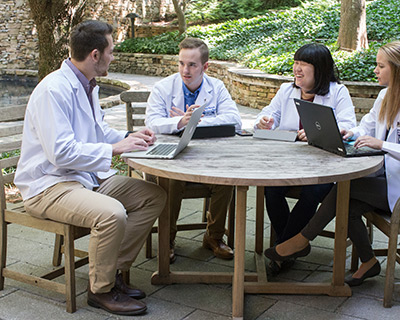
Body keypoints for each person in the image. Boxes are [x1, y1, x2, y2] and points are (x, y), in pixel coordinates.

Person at [14, 20, 167, 316]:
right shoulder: (53, 91)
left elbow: (97, 133)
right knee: (111, 214)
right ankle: (100, 290)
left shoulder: (88, 86)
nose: (114, 57)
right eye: (111, 50)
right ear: (95, 55)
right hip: (48, 186)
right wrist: (113, 149)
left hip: (83, 179)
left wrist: (128, 137)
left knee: (153, 196)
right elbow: (60, 153)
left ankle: (113, 273)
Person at [264, 41, 400, 286]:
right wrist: (349, 131)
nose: (375, 71)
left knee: (344, 191)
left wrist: (381, 144)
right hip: (388, 178)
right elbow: (365, 127)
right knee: (346, 200)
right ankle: (368, 262)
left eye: (381, 66)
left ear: (399, 69)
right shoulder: (385, 95)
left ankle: (300, 240)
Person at [254, 43, 356, 273]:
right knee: (271, 189)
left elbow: (348, 125)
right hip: (288, 164)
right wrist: (265, 121)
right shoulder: (286, 90)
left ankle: (282, 249)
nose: (296, 70)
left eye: (303, 65)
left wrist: (317, 131)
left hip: (323, 166)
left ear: (319, 69)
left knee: (314, 192)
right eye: (295, 63)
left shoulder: (337, 92)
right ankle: (291, 246)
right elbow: (269, 113)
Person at [146, 37, 242, 261]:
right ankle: (167, 239)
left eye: (192, 65)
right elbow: (151, 122)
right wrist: (179, 123)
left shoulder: (216, 87)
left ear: (205, 67)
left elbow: (234, 120)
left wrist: (194, 120)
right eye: (181, 63)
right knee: (172, 179)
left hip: (208, 157)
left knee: (225, 177)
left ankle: (214, 237)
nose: (185, 70)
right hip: (171, 156)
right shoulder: (163, 88)